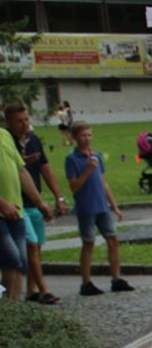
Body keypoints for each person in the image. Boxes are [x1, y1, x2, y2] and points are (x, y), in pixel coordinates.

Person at [6, 103, 68, 304]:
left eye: (26, 119)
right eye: (19, 121)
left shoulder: (32, 139)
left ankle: (31, 291)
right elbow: (16, 168)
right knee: (28, 248)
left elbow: (44, 168)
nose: (24, 124)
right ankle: (43, 290)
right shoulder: (7, 139)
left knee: (35, 248)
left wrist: (57, 197)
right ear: (8, 122)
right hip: (16, 204)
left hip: (33, 201)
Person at [65, 120, 131, 296]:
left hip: (102, 206)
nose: (86, 139)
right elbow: (74, 186)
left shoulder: (97, 157)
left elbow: (103, 182)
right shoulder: (72, 159)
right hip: (86, 207)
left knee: (113, 240)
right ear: (75, 137)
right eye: (82, 135)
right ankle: (86, 282)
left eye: (89, 135)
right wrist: (87, 171)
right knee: (88, 242)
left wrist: (114, 206)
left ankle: (116, 278)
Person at [0, 116, 52, 301]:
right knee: (12, 259)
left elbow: (21, 171)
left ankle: (13, 308)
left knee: (20, 263)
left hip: (17, 211)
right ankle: (7, 308)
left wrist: (40, 203)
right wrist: (2, 204)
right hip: (3, 212)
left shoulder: (4, 135)